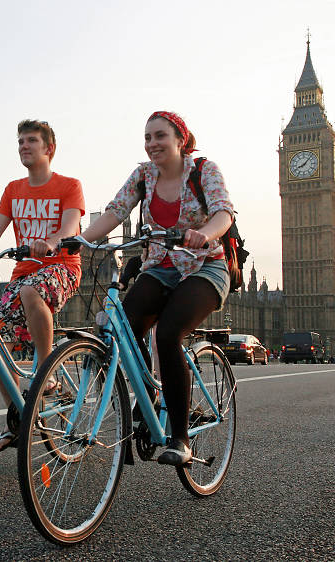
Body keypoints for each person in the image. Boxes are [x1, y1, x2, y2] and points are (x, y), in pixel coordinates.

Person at [80, 111, 234, 465]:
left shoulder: (204, 170)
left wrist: (204, 234)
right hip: (159, 267)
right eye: (147, 137)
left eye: (160, 136)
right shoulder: (143, 175)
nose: (152, 144)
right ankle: (146, 399)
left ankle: (180, 438)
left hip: (204, 265)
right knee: (125, 324)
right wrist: (76, 239)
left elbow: (224, 214)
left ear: (180, 139)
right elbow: (115, 212)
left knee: (167, 334)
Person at [0, 119, 85, 452]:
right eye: (20, 141)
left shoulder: (69, 185)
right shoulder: (13, 189)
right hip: (23, 273)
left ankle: (46, 368)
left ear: (49, 148)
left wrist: (52, 241)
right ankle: (18, 420)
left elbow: (70, 226)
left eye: (31, 141)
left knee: (31, 292)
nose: (24, 146)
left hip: (61, 268)